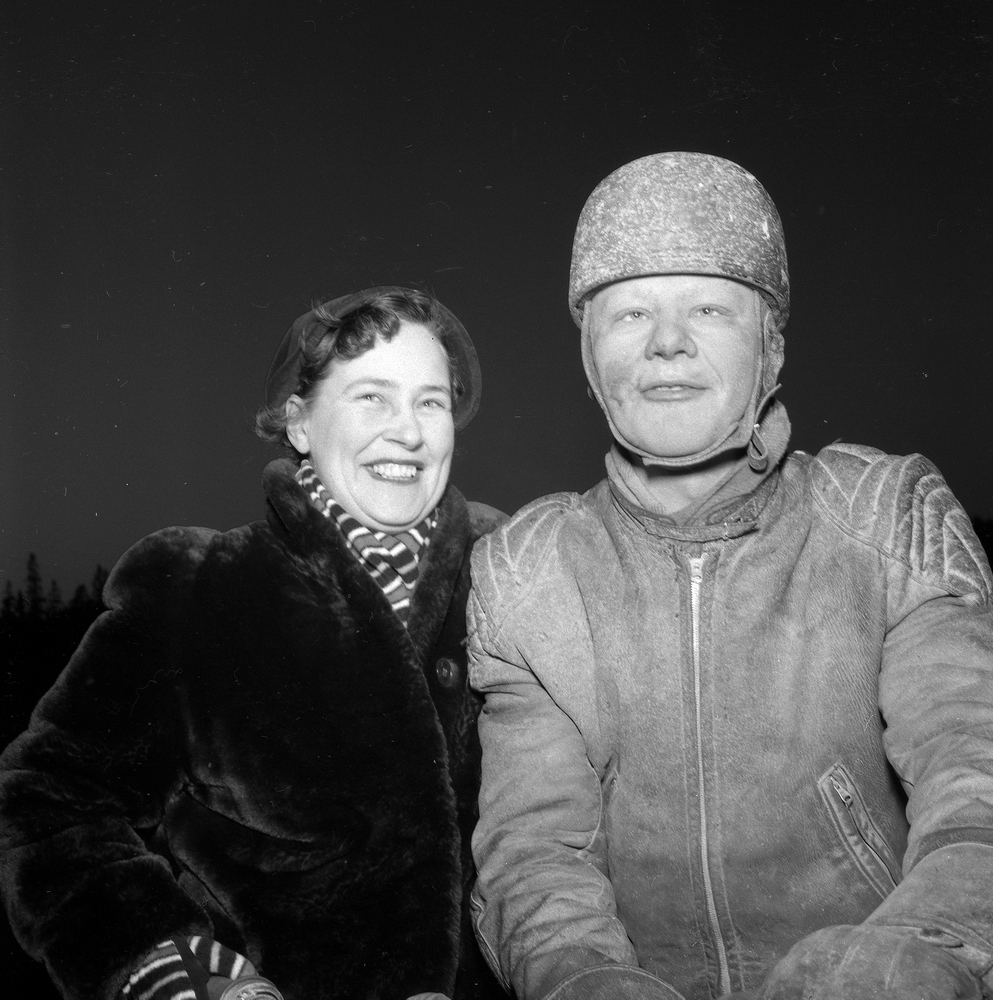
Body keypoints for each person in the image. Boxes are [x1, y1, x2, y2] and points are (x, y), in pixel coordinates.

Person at [466, 153, 993, 1000]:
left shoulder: (885, 515)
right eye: (630, 312)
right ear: (589, 359)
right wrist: (585, 981)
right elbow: (535, 851)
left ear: (770, 347)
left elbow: (973, 775)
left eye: (708, 308)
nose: (666, 342)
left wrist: (918, 953)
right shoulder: (527, 573)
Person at [0, 287, 505, 1000]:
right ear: (299, 422)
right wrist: (165, 963)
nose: (408, 431)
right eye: (371, 397)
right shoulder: (197, 588)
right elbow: (49, 801)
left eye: (431, 402)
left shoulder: (511, 572)